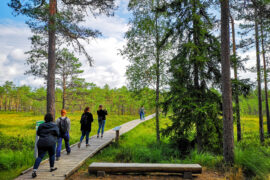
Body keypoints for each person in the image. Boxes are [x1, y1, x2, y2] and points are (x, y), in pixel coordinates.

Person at [32, 113, 59, 178]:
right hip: (51, 142)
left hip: (41, 142)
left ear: (45, 118)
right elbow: (58, 133)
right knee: (52, 154)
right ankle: (51, 167)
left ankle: (34, 171)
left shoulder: (41, 125)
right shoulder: (54, 125)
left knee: (40, 156)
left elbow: (38, 133)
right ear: (52, 119)